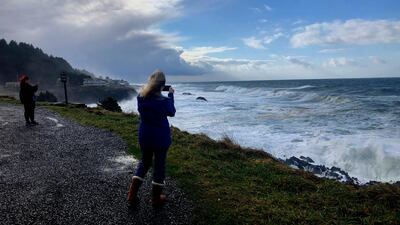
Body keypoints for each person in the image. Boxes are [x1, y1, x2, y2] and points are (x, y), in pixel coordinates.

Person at [127, 70, 176, 206]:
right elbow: (172, 112)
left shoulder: (140, 97)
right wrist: (171, 94)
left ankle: (132, 195)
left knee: (144, 162)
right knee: (159, 166)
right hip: (161, 138)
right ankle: (156, 199)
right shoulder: (164, 101)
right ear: (162, 85)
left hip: (145, 136)